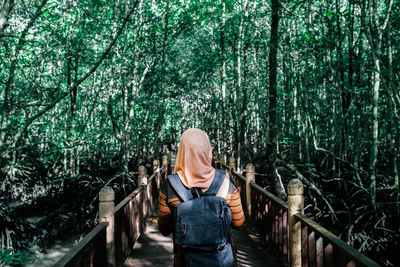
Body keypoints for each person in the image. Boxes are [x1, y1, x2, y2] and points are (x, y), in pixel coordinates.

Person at [158, 128, 245, 266]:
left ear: (182, 152)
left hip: (185, 261)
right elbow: (239, 224)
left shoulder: (169, 185)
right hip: (222, 260)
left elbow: (164, 229)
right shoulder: (226, 181)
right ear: (208, 151)